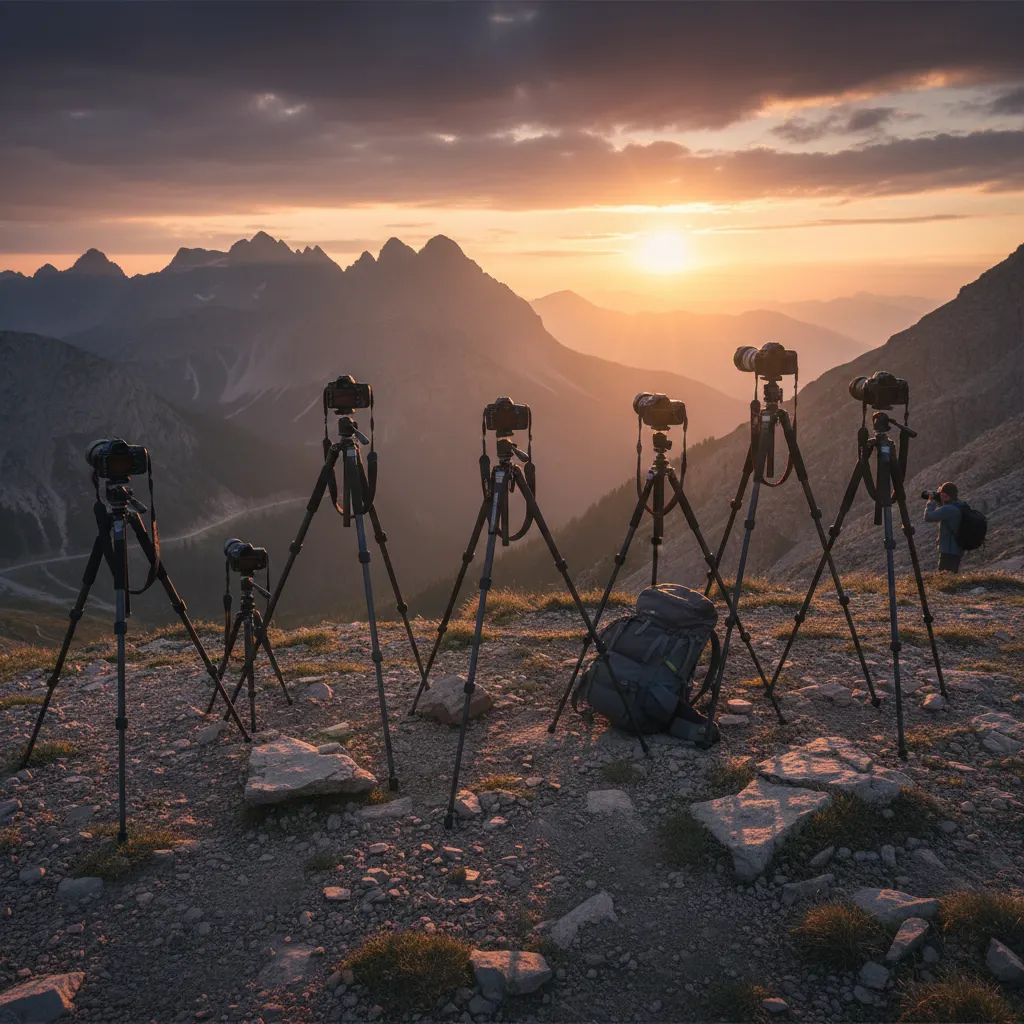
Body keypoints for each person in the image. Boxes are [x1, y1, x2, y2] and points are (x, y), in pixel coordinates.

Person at [924, 481, 963, 573]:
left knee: (944, 577)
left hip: (948, 552)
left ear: (945, 495)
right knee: (951, 577)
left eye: (941, 494)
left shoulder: (948, 509)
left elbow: (928, 517)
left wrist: (931, 502)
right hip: (956, 550)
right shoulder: (958, 505)